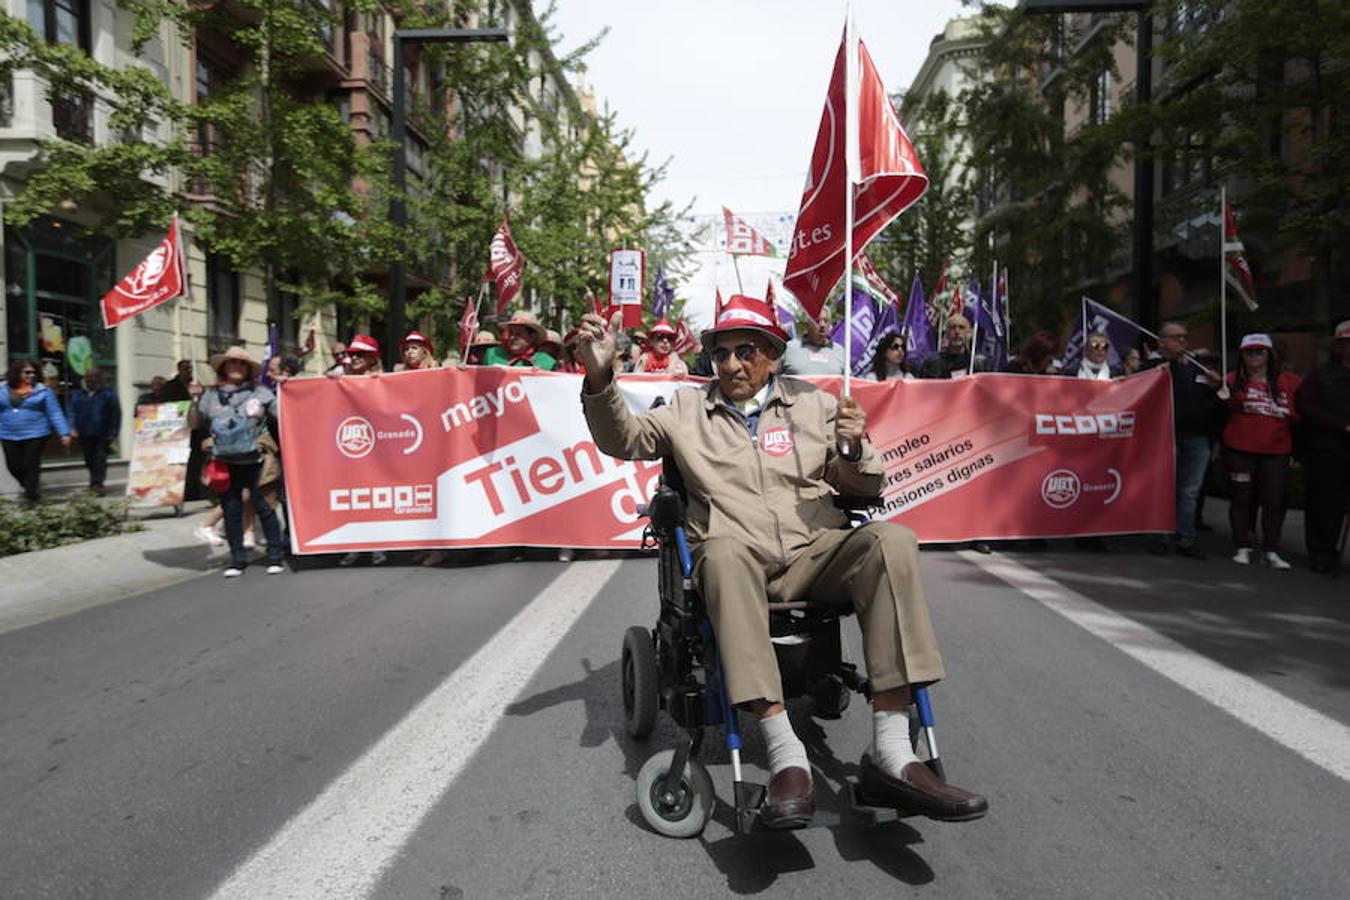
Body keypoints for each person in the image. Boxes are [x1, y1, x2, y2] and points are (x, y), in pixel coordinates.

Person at [577, 295, 988, 829]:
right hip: (736, 555)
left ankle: (893, 751)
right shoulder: (685, 409)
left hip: (815, 551)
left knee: (892, 541)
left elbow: (868, 487)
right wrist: (600, 374)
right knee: (720, 554)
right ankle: (786, 757)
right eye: (720, 354)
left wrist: (853, 449)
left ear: (773, 354)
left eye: (745, 351)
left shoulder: (816, 406)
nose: (730, 364)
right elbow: (622, 439)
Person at [190, 347, 286, 577]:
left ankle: (275, 556)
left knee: (264, 507)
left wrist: (286, 387)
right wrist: (194, 399)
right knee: (232, 510)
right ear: (223, 367)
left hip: (257, 460)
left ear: (247, 370)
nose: (237, 367)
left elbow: (283, 413)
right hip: (224, 461)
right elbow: (194, 423)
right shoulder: (211, 395)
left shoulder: (260, 392)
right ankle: (237, 559)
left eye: (242, 364)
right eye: (232, 363)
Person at [1218, 333, 1301, 569]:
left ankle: (1271, 550)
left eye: (1259, 351)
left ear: (1269, 355)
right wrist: (1222, 397)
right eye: (1249, 351)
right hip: (1239, 450)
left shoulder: (1290, 382)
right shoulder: (1231, 380)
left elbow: (1302, 414)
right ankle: (1242, 546)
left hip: (1276, 451)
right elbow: (1218, 412)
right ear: (1242, 355)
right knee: (1241, 498)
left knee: (1274, 500)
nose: (1254, 356)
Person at [1144, 321, 1225, 559]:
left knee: (1189, 491)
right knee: (1165, 487)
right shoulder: (1155, 366)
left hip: (1197, 438)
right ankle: (1160, 537)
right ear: (1162, 342)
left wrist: (1216, 386)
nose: (1182, 341)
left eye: (1184, 337)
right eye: (1176, 337)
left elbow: (1213, 401)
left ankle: (1186, 538)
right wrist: (1170, 367)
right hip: (1166, 436)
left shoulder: (1199, 368)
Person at [1296, 320, 1350, 576]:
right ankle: (1321, 553)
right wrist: (1342, 425)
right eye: (1346, 343)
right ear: (1339, 346)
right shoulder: (1320, 374)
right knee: (1324, 504)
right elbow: (1306, 407)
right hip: (1328, 448)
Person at [1, 358, 72, 505]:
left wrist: (64, 432)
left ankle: (31, 496)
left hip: (36, 433)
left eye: (33, 373)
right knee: (13, 466)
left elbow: (55, 412)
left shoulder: (43, 390)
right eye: (27, 372)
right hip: (8, 433)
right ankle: (30, 488)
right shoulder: (3, 389)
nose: (31, 375)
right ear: (16, 373)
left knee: (31, 465)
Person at [68, 367, 122, 495]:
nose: (90, 380)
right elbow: (70, 412)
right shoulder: (77, 394)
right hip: (84, 432)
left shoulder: (109, 394)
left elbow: (116, 414)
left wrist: (113, 433)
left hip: (103, 433)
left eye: (94, 377)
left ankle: (97, 485)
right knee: (89, 459)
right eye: (88, 377)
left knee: (99, 459)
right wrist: (71, 427)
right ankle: (94, 482)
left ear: (100, 379)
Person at [782, 303, 846, 376]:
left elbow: (851, 383)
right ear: (808, 324)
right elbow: (772, 375)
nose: (822, 325)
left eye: (826, 321)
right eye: (817, 321)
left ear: (829, 324)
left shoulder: (840, 352)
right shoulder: (790, 347)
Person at [919, 314, 991, 378]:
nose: (957, 332)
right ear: (946, 333)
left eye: (961, 328)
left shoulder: (980, 363)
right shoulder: (932, 364)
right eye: (953, 328)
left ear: (969, 334)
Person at [482, 311, 558, 370]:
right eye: (511, 333)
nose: (512, 337)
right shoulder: (492, 355)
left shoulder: (547, 362)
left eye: (518, 334)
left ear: (532, 337)